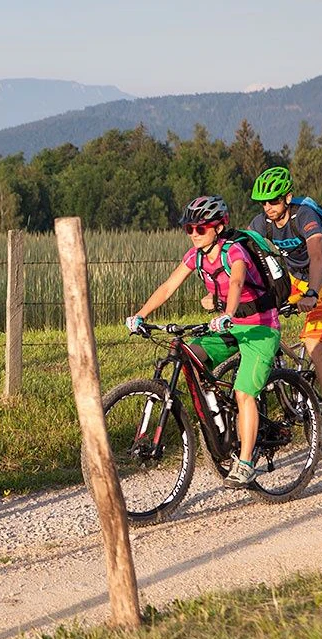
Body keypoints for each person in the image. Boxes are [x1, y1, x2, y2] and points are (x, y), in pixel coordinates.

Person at [126, 196, 281, 488]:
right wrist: (141, 315)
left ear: (219, 227)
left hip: (259, 327)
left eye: (201, 228)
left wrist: (228, 313)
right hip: (228, 327)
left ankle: (245, 463)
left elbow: (236, 282)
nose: (195, 234)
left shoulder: (234, 252)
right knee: (190, 354)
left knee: (244, 393)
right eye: (190, 229)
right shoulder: (195, 256)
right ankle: (219, 416)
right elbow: (169, 286)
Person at [247, 166, 322, 442]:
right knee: (260, 322)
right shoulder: (261, 223)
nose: (268, 207)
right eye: (264, 202)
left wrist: (312, 293)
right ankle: (291, 388)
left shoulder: (305, 216)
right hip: (294, 281)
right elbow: (242, 250)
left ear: (287, 198)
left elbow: (317, 257)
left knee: (314, 344)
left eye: (274, 201)